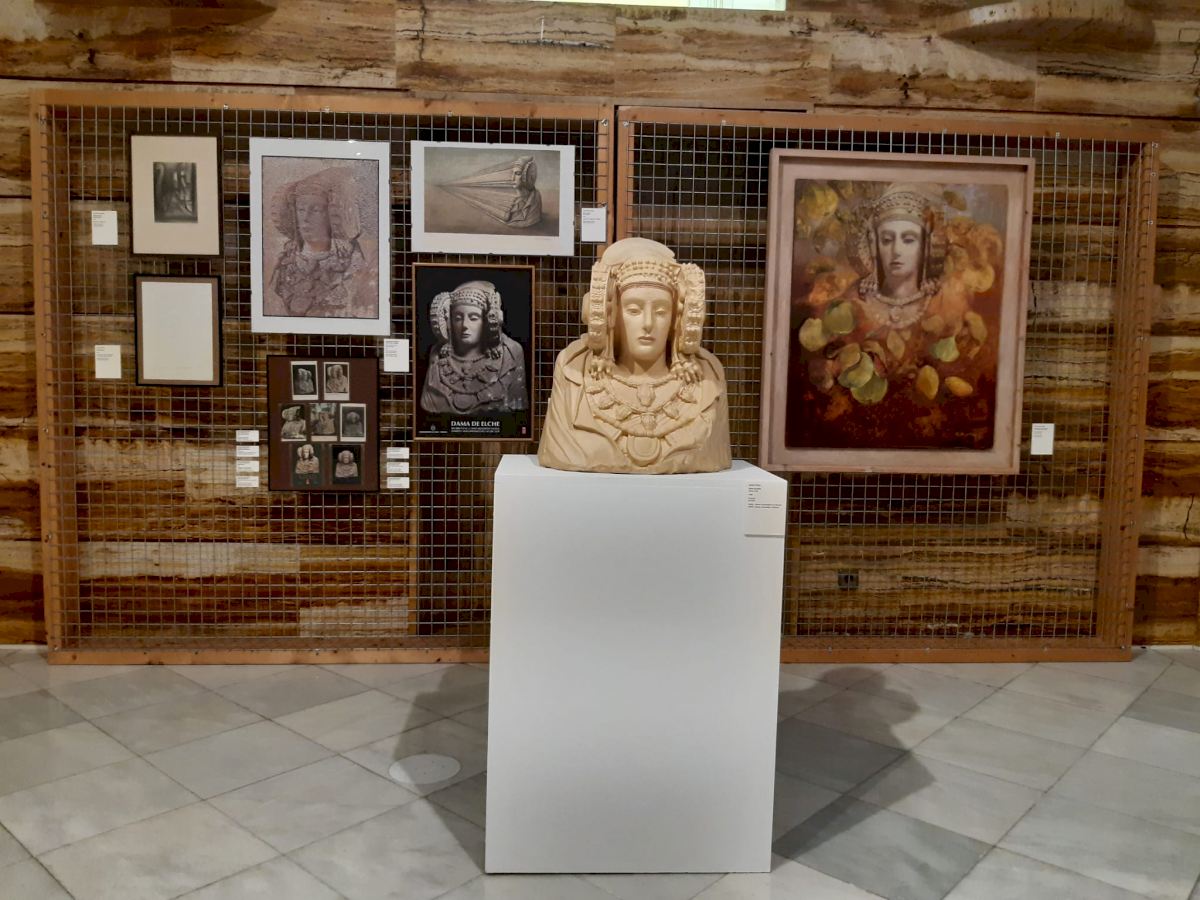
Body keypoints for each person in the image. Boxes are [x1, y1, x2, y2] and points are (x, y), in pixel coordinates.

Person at [789, 182, 1002, 450]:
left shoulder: (947, 302)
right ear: (873, 245)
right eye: (888, 239)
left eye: (909, 239)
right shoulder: (849, 302)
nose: (897, 250)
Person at [538, 237, 730, 474]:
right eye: (634, 310)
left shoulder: (707, 379)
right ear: (610, 314)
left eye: (661, 311)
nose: (648, 323)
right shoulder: (574, 371)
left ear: (677, 318)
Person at [269, 169, 374, 319]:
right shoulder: (284, 263)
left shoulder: (353, 263)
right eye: (301, 210)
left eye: (316, 210)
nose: (305, 218)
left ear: (331, 215)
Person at [419, 280, 528, 416]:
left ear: (487, 322)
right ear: (449, 322)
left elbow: (517, 408)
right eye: (458, 318)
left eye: (473, 318)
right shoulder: (437, 355)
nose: (465, 325)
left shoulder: (510, 354)